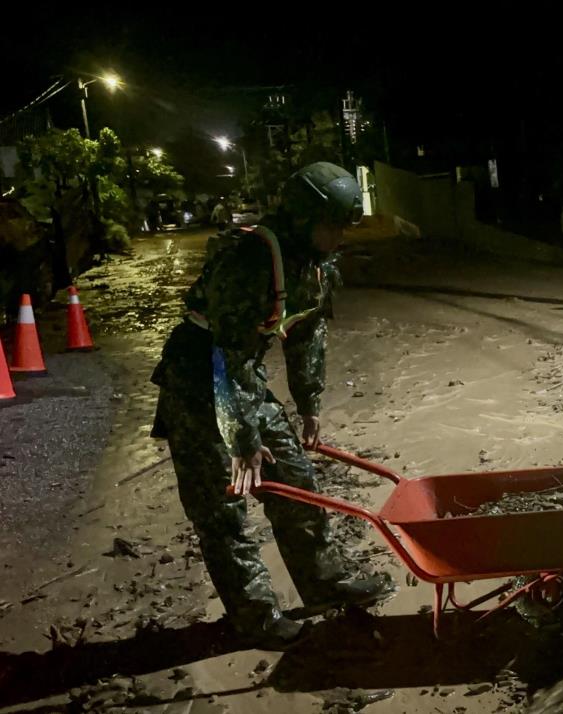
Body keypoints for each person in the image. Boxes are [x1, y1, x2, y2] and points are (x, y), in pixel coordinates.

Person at [151, 162, 388, 649]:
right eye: (333, 226)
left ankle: (324, 580)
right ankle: (254, 615)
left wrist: (309, 403)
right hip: (200, 378)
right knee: (225, 505)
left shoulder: (314, 263)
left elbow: (307, 333)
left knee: (295, 481)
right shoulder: (250, 260)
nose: (339, 236)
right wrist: (242, 440)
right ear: (303, 218)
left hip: (243, 379)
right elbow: (227, 354)